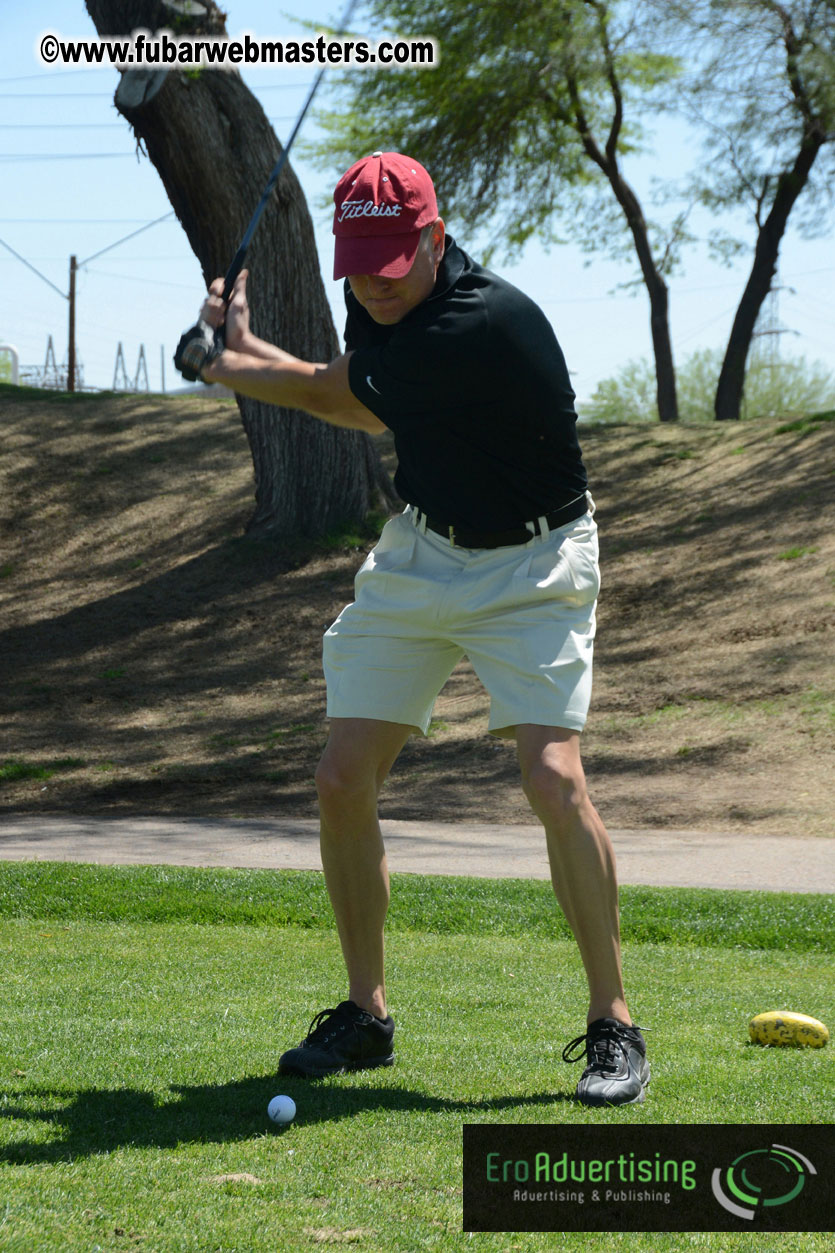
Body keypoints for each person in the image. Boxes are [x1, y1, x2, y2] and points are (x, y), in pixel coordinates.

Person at [189, 151, 650, 1107]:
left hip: (535, 565)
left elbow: (330, 399)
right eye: (358, 268)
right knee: (339, 776)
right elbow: (341, 378)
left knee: (551, 775)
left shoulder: (480, 324)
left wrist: (223, 360)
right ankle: (366, 1014)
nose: (374, 286)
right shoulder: (385, 298)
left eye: (394, 265)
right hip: (422, 552)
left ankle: (615, 1022)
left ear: (436, 240)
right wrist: (240, 345)